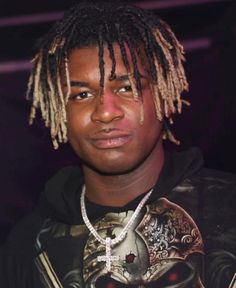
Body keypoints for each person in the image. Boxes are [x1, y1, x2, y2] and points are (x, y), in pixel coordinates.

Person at [0, 1, 235, 287]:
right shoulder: (27, 246)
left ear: (163, 94)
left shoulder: (226, 206)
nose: (106, 112)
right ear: (58, 111)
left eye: (127, 88)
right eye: (82, 95)